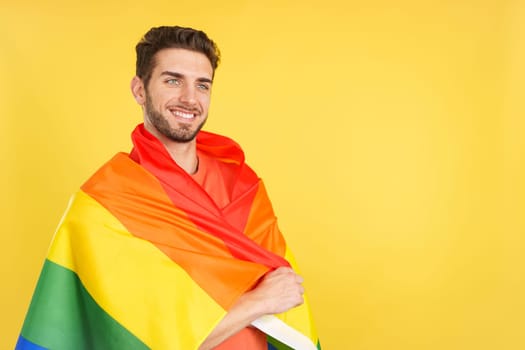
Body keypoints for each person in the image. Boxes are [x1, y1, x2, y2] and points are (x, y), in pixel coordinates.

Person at [16, 26, 320, 350]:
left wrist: (268, 298)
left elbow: (287, 296)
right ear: (139, 90)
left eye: (202, 85)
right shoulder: (104, 207)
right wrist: (256, 303)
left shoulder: (243, 186)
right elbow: (139, 341)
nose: (189, 98)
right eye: (173, 80)